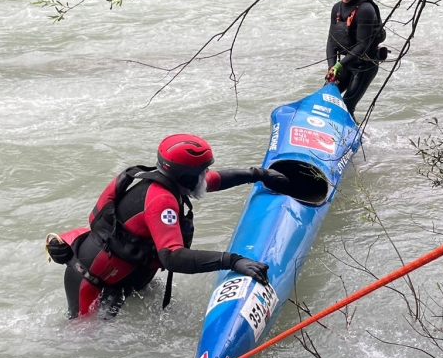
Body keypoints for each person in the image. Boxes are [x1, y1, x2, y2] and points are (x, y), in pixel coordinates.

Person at [44, 134, 287, 318]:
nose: (208, 174)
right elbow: (172, 257)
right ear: (187, 177)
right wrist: (232, 261)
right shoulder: (161, 201)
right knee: (84, 343)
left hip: (126, 273)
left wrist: (258, 174)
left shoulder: (169, 182)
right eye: (203, 170)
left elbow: (214, 181)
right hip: (91, 283)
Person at [326, 0, 386, 115]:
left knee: (346, 106)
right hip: (346, 62)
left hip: (365, 65)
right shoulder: (336, 8)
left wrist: (339, 65)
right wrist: (332, 67)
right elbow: (331, 41)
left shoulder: (365, 9)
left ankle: (353, 136)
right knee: (327, 97)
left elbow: (363, 45)